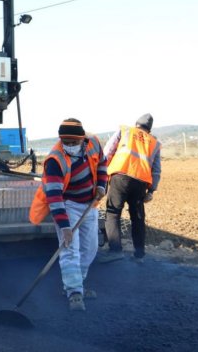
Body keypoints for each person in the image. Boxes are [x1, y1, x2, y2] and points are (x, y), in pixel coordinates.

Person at [30, 118, 108, 311]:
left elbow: (103, 165)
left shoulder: (94, 143)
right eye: (66, 142)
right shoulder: (55, 160)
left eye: (74, 142)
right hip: (67, 204)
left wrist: (101, 186)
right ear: (61, 139)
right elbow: (54, 196)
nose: (70, 146)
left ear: (83, 139)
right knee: (69, 249)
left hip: (89, 204)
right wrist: (65, 227)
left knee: (90, 249)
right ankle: (74, 293)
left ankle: (78, 285)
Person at [99, 113, 162, 263]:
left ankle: (115, 251)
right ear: (149, 130)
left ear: (136, 125)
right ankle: (139, 255)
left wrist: (101, 173)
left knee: (113, 213)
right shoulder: (154, 142)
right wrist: (151, 190)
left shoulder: (125, 131)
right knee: (138, 217)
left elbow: (107, 152)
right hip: (140, 183)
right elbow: (156, 169)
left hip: (120, 177)